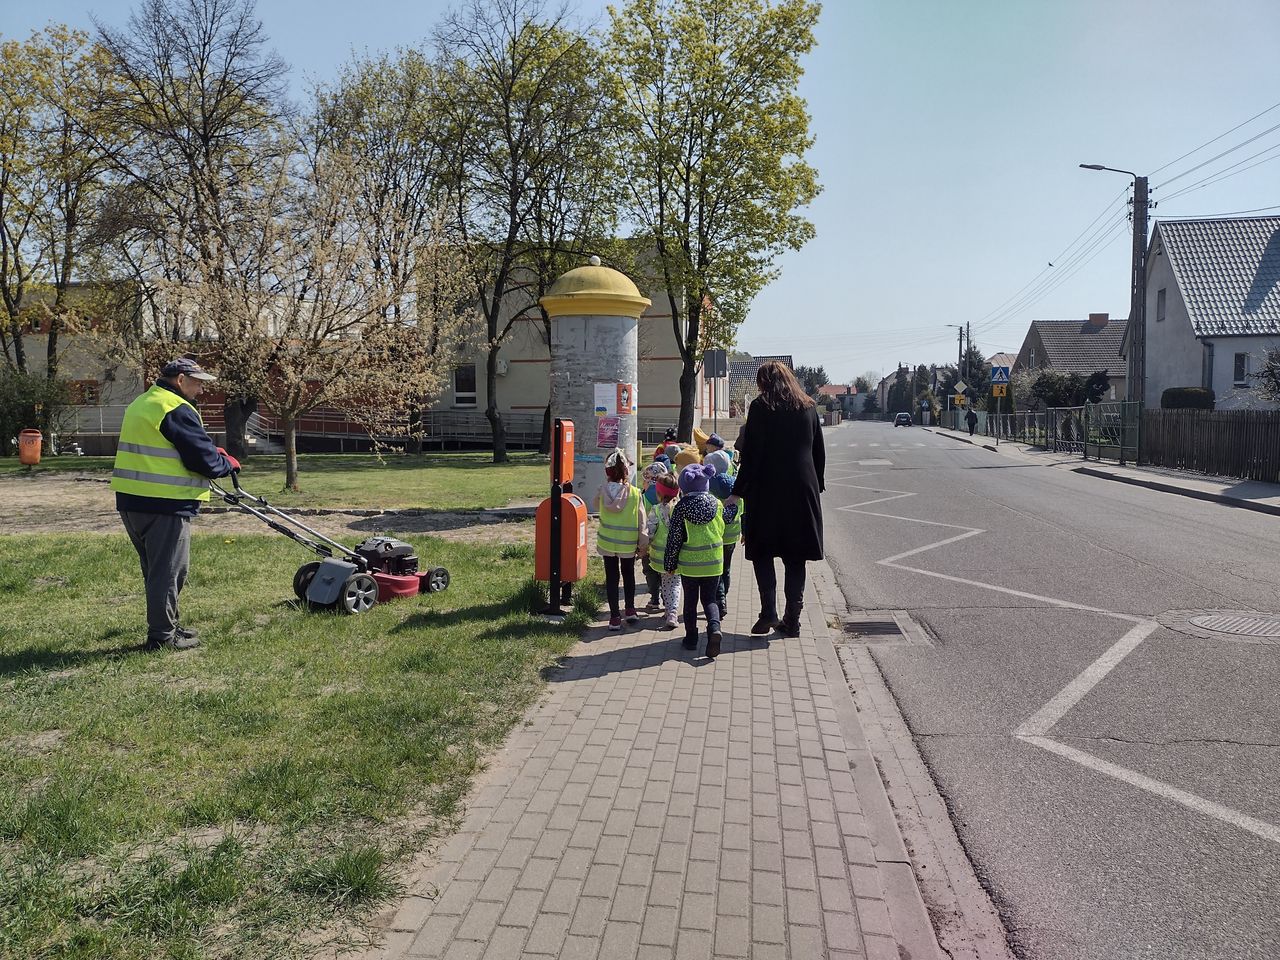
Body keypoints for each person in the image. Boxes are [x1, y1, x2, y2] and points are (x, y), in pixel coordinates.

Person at [111, 357, 240, 651]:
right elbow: (202, 460)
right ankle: (162, 637)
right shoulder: (175, 407)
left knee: (156, 571)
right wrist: (226, 463)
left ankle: (168, 626)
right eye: (197, 383)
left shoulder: (143, 401)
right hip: (164, 504)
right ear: (181, 380)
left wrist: (210, 451)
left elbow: (170, 446)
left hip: (132, 501)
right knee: (169, 571)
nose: (200, 390)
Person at [732, 360, 825, 638]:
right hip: (802, 491)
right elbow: (818, 451)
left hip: (767, 491)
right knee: (796, 557)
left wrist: (738, 490)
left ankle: (769, 613)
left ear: (764, 383)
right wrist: (817, 484)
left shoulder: (761, 408)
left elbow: (752, 456)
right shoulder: (809, 407)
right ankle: (792, 621)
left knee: (762, 551)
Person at [664, 463, 725, 658]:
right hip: (714, 562)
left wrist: (670, 564)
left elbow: (674, 538)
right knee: (710, 599)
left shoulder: (681, 508)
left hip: (690, 565)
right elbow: (722, 528)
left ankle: (691, 639)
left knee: (690, 602)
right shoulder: (717, 504)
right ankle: (714, 628)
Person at [596, 448, 646, 631]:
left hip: (607, 542)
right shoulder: (635, 493)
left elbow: (595, 505)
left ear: (607, 472)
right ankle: (630, 609)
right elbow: (642, 520)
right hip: (627, 543)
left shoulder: (602, 491)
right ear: (627, 471)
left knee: (611, 578)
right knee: (628, 574)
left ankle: (614, 617)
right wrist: (643, 544)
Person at [646, 472, 682, 630]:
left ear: (659, 492)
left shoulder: (655, 510)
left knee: (665, 583)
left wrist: (644, 546)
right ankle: (672, 611)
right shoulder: (680, 509)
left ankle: (669, 610)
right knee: (673, 584)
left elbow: (650, 532)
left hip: (659, 556)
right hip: (677, 556)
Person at [639, 461, 672, 609]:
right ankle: (667, 599)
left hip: (648, 541)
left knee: (649, 570)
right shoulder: (667, 495)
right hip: (666, 543)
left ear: (648, 480)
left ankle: (654, 598)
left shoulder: (644, 497)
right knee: (664, 573)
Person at [710, 471, 741, 617]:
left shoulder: (715, 502)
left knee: (717, 571)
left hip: (717, 540)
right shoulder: (737, 500)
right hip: (732, 539)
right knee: (726, 569)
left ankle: (720, 599)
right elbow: (744, 515)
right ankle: (724, 596)